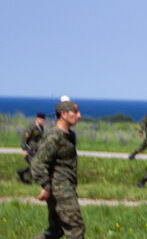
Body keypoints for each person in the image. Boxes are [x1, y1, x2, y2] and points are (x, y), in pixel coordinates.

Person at [31, 99, 84, 239]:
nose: (79, 115)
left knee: (57, 229)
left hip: (66, 187)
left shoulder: (69, 135)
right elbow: (38, 162)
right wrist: (46, 186)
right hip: (61, 190)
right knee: (76, 229)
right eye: (76, 112)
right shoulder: (54, 137)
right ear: (64, 114)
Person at [17, 112, 46, 184]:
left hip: (36, 149)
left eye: (43, 120)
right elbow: (24, 138)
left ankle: (22, 172)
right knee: (33, 165)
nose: (43, 121)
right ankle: (27, 180)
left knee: (36, 165)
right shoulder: (31, 127)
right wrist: (24, 149)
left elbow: (39, 138)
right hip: (29, 149)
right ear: (37, 119)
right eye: (41, 120)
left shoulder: (41, 128)